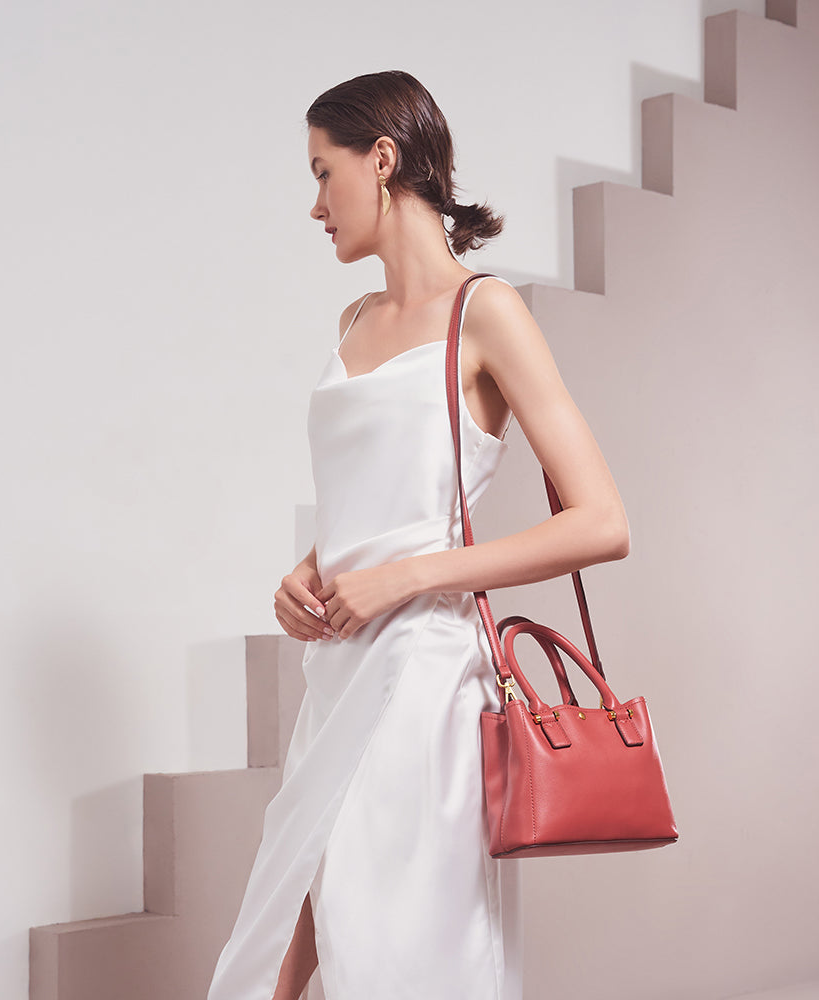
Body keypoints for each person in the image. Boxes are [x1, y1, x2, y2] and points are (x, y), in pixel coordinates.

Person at [207, 69, 629, 1000]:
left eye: (324, 174)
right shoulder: (354, 320)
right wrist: (310, 572)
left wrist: (400, 579)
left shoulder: (489, 313)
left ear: (383, 161)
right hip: (342, 671)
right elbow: (374, 503)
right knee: (299, 903)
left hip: (430, 681)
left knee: (397, 942)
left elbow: (602, 522)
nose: (314, 205)